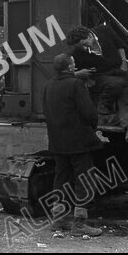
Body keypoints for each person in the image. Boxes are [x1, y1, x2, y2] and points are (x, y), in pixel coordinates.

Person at [42, 52, 103, 237]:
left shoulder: (48, 85)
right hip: (79, 142)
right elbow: (89, 113)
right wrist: (93, 130)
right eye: (74, 63)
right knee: (83, 180)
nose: (75, 65)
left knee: (60, 179)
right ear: (70, 67)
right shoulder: (75, 84)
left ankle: (58, 220)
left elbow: (46, 112)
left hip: (58, 142)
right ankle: (79, 224)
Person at [67, 24, 128, 143]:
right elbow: (66, 72)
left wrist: (124, 62)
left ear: (89, 36)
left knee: (127, 87)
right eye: (80, 46)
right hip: (98, 77)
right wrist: (80, 74)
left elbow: (120, 46)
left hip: (118, 70)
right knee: (117, 84)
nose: (83, 49)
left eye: (83, 44)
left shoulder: (105, 30)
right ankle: (103, 112)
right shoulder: (76, 52)